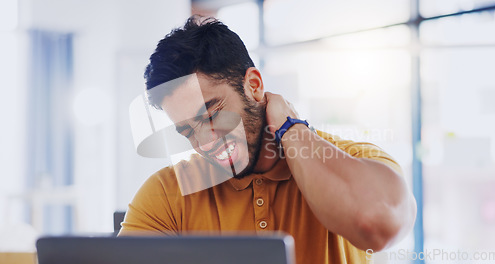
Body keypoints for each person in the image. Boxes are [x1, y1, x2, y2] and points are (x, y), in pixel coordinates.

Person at [119, 16, 417, 264]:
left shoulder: (348, 159)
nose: (205, 141)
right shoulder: (168, 192)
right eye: (188, 131)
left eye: (211, 115)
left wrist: (291, 127)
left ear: (254, 86)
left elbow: (379, 225)